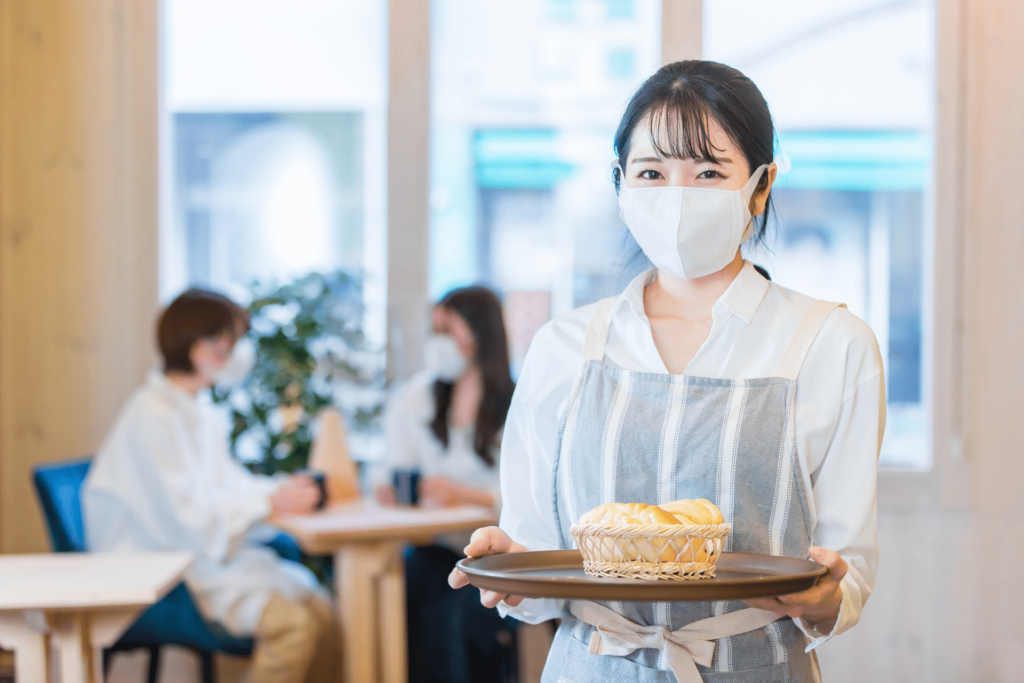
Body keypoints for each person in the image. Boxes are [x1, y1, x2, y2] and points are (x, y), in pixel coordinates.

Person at [450, 60, 885, 682]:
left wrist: (826, 599)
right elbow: (541, 565)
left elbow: (848, 571)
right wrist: (511, 571)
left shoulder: (832, 345)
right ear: (620, 184)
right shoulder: (564, 347)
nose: (678, 196)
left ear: (760, 187)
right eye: (652, 172)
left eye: (709, 172)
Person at [83, 288, 337, 683]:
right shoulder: (151, 417)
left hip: (205, 557)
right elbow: (188, 520)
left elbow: (229, 487)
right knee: (295, 626)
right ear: (202, 350)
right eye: (231, 342)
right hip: (169, 572)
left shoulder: (197, 413)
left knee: (321, 609)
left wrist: (279, 493)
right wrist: (268, 505)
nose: (239, 353)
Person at [372, 286, 517, 683]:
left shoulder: (518, 402)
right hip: (433, 546)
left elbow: (532, 496)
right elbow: (389, 466)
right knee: (393, 593)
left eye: (449, 330)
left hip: (493, 553)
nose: (440, 343)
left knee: (451, 614)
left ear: (480, 333)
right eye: (435, 331)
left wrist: (467, 496)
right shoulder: (416, 398)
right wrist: (385, 487)